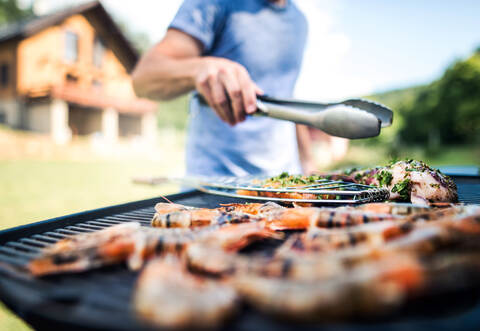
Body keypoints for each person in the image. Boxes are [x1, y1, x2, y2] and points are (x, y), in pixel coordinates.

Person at [132, 0, 314, 177]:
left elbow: (286, 95)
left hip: (283, 183)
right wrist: (199, 69)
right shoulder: (212, 3)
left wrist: (308, 162)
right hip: (216, 186)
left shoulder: (299, 21)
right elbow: (143, 79)